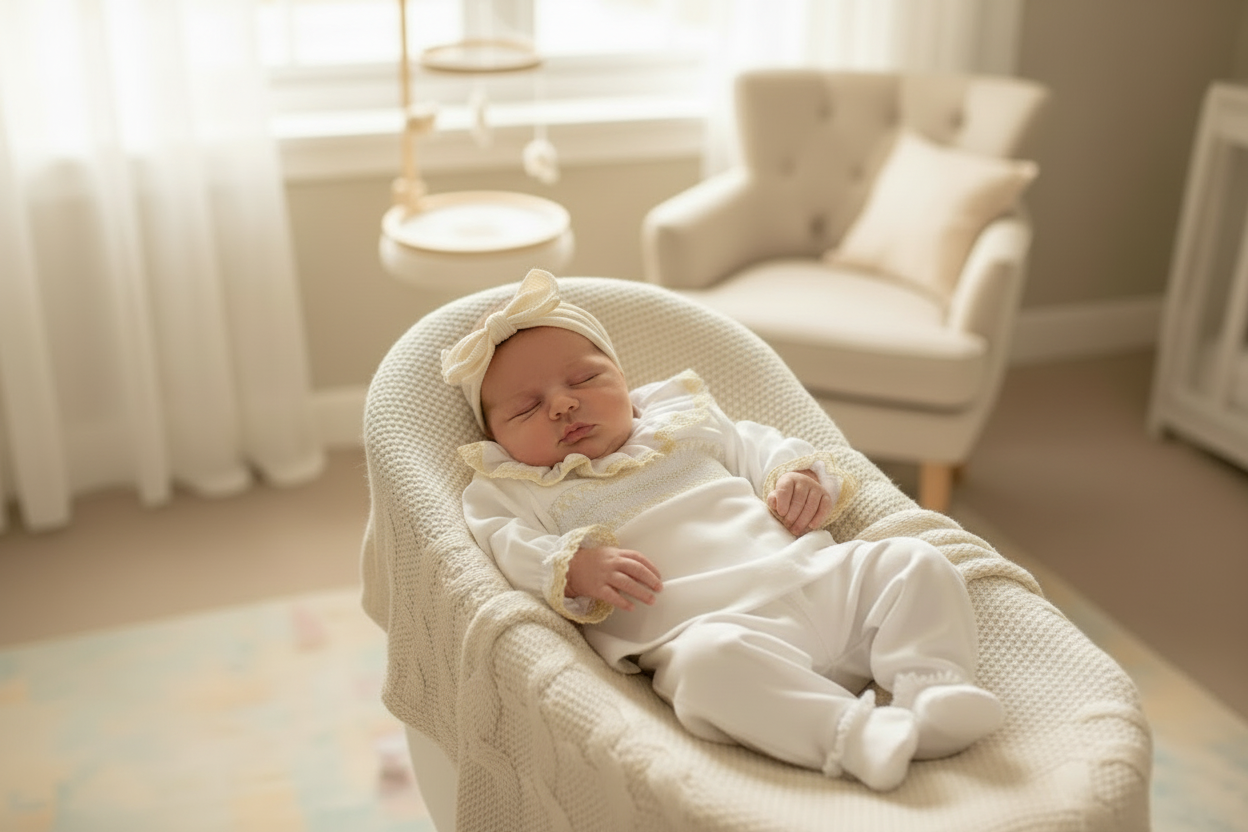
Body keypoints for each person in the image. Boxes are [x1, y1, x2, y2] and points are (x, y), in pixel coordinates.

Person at [441, 269, 1004, 791]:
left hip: (820, 580)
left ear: (624, 379)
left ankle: (931, 685)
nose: (563, 404)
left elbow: (764, 448)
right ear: (496, 438)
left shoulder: (682, 422)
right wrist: (573, 567)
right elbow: (505, 545)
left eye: (585, 378)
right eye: (526, 409)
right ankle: (852, 735)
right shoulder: (511, 488)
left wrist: (799, 478)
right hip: (714, 628)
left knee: (911, 560)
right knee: (705, 674)